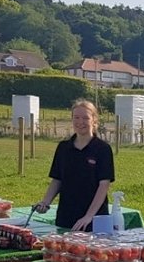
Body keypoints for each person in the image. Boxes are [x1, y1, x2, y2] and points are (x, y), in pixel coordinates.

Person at [35, 99, 115, 231]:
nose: (80, 122)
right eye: (76, 117)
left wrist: (89, 216)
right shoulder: (63, 148)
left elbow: (104, 185)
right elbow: (57, 179)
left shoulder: (102, 149)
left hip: (94, 220)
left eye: (85, 118)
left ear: (94, 120)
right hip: (66, 217)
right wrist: (45, 202)